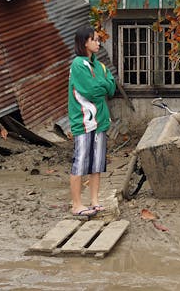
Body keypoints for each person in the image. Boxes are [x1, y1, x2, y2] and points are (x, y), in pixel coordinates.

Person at [67, 26, 116, 217]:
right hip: (84, 121)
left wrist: (102, 84)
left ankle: (94, 201)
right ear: (84, 42)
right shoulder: (78, 65)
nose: (98, 42)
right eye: (94, 39)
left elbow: (111, 88)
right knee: (80, 162)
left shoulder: (100, 65)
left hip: (101, 121)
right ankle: (77, 204)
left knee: (97, 163)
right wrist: (103, 84)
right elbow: (91, 91)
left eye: (98, 39)